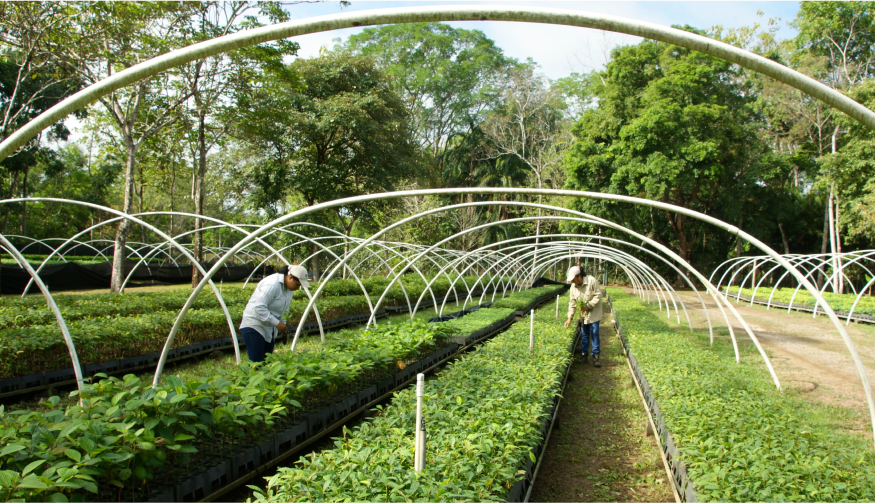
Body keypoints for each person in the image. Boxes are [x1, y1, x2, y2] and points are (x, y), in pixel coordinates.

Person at [239, 264, 309, 363]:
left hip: (269, 327)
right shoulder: (272, 284)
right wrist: (277, 323)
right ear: (290, 277)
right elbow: (258, 307)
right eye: (298, 285)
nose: (298, 288)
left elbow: (285, 309)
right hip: (254, 325)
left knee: (267, 362)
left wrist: (282, 324)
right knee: (257, 363)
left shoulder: (288, 289)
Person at [563, 265, 603, 367]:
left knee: (594, 332)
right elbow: (572, 303)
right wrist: (569, 317)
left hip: (594, 312)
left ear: (579, 276)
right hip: (583, 315)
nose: (572, 282)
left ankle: (596, 356)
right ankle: (584, 355)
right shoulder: (573, 287)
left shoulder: (591, 281)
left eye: (573, 279)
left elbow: (598, 295)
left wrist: (588, 306)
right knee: (584, 334)